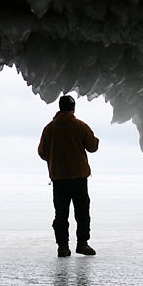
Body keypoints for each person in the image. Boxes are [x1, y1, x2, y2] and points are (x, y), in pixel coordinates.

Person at [38, 94, 99, 257]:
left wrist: (54, 159)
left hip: (58, 177)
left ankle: (63, 247)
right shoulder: (80, 126)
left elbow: (42, 152)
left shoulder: (49, 128)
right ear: (73, 108)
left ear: (59, 107)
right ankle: (82, 243)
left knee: (61, 214)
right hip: (79, 176)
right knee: (82, 211)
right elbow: (93, 146)